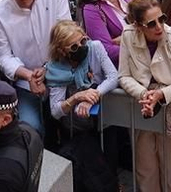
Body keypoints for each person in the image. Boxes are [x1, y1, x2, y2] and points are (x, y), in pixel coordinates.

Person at [117, 0, 171, 192]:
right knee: (146, 171)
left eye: (162, 19)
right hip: (141, 108)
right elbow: (124, 76)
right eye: (151, 23)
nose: (159, 26)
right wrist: (144, 94)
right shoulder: (127, 36)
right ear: (137, 25)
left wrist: (161, 95)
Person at [0, 0, 72, 130]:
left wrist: (49, 67)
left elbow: (66, 32)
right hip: (25, 81)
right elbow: (3, 56)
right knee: (30, 127)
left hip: (61, 69)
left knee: (74, 119)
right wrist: (28, 75)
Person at [42, 21, 119, 192]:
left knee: (110, 166)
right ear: (62, 51)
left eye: (83, 41)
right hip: (75, 129)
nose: (81, 47)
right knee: (86, 175)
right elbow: (55, 111)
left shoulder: (95, 48)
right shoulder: (55, 69)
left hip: (103, 121)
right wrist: (76, 97)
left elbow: (114, 77)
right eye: (74, 46)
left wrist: (93, 95)